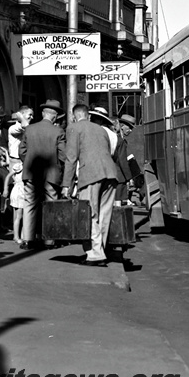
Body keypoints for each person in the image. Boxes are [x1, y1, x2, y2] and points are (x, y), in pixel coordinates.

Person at [62, 104, 118, 267]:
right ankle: (100, 251)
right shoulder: (101, 130)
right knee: (104, 214)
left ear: (74, 116)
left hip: (91, 175)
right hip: (110, 173)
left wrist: (67, 184)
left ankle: (95, 255)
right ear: (89, 116)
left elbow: (71, 158)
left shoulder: (73, 128)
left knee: (90, 213)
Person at [19, 99, 66, 250]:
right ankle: (49, 241)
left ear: (43, 113)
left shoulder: (29, 129)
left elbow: (22, 151)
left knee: (29, 205)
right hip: (51, 175)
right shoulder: (58, 131)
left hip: (31, 172)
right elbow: (63, 155)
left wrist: (29, 162)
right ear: (55, 116)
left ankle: (28, 240)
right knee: (51, 206)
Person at [113, 114, 135, 203]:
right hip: (119, 176)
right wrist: (129, 178)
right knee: (118, 203)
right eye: (129, 128)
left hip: (114, 175)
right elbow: (122, 161)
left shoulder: (115, 138)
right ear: (122, 126)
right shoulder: (120, 141)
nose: (130, 131)